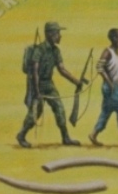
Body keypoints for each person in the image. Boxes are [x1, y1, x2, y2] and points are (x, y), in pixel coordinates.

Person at [17, 20, 86, 148]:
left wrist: (76, 82)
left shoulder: (56, 51)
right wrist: (37, 92)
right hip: (37, 84)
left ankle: (66, 138)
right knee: (35, 113)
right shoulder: (39, 50)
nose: (60, 36)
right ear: (50, 34)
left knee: (59, 109)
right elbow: (35, 71)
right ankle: (21, 135)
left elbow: (62, 70)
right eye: (57, 33)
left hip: (49, 84)